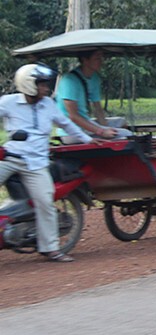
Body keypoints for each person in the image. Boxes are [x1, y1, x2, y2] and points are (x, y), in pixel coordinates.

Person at [0, 63, 99, 262]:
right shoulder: (8, 102)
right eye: (42, 84)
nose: (46, 88)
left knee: (45, 202)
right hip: (10, 158)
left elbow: (66, 124)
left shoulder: (48, 104)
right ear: (29, 85)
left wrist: (89, 139)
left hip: (36, 164)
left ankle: (51, 248)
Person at [55, 50, 132, 143]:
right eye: (97, 59)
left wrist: (106, 128)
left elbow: (98, 109)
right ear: (85, 60)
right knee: (127, 134)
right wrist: (102, 131)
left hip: (86, 122)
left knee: (122, 121)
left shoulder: (94, 77)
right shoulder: (69, 81)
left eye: (101, 58)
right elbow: (73, 117)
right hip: (72, 131)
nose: (101, 62)